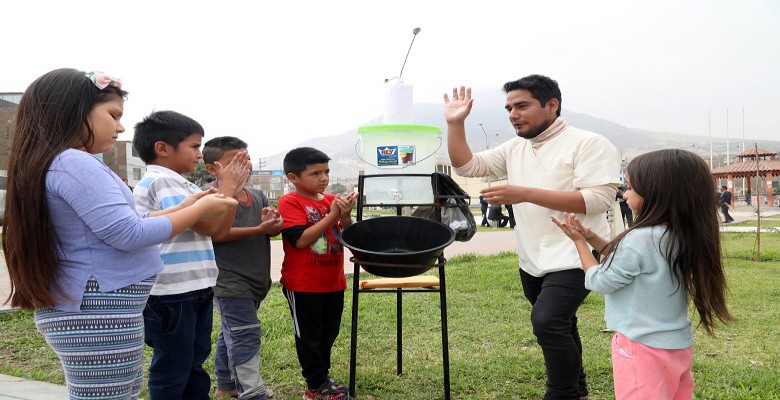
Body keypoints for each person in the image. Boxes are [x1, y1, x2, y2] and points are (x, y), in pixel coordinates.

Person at [2, 68, 237, 399]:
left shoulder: (62, 162)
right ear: (73, 110)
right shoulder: (75, 163)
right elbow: (128, 233)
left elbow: (124, 221)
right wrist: (197, 211)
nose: (121, 126)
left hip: (99, 309)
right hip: (98, 312)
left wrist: (188, 205)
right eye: (113, 115)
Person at [443, 75, 621, 400]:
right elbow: (467, 167)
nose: (513, 114)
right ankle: (578, 390)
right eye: (509, 107)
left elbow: (598, 199)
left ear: (551, 105)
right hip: (532, 258)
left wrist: (523, 192)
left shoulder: (589, 143)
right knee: (561, 324)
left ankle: (562, 394)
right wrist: (456, 124)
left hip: (577, 253)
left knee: (548, 321)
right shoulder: (515, 148)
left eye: (522, 105)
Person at [552, 149, 733, 399]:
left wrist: (579, 244)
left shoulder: (640, 239)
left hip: (640, 347)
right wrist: (591, 237)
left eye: (631, 187)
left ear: (657, 192)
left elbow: (600, 281)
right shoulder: (682, 233)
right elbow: (631, 260)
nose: (625, 194)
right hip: (678, 346)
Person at [133, 110, 251, 399]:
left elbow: (212, 229)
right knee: (174, 364)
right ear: (162, 149)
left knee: (194, 359)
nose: (200, 154)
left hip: (193, 287)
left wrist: (230, 192)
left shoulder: (183, 184)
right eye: (194, 146)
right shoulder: (161, 181)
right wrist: (227, 188)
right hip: (172, 291)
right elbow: (196, 221)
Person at [202, 137, 283, 400]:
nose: (243, 167)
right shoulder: (211, 196)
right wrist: (260, 229)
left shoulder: (257, 195)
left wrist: (272, 225)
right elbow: (216, 234)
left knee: (231, 333)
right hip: (227, 280)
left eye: (246, 160)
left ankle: (226, 384)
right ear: (213, 170)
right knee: (245, 334)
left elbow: (264, 231)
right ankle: (252, 391)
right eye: (235, 162)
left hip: (255, 279)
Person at [277, 147, 358, 400]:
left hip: (333, 282)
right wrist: (333, 213)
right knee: (309, 337)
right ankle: (315, 385)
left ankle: (323, 379)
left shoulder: (330, 199)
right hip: (302, 285)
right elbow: (300, 240)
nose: (323, 178)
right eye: (315, 173)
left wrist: (344, 216)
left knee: (328, 334)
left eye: (326, 172)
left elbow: (347, 236)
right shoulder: (290, 202)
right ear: (293, 177)